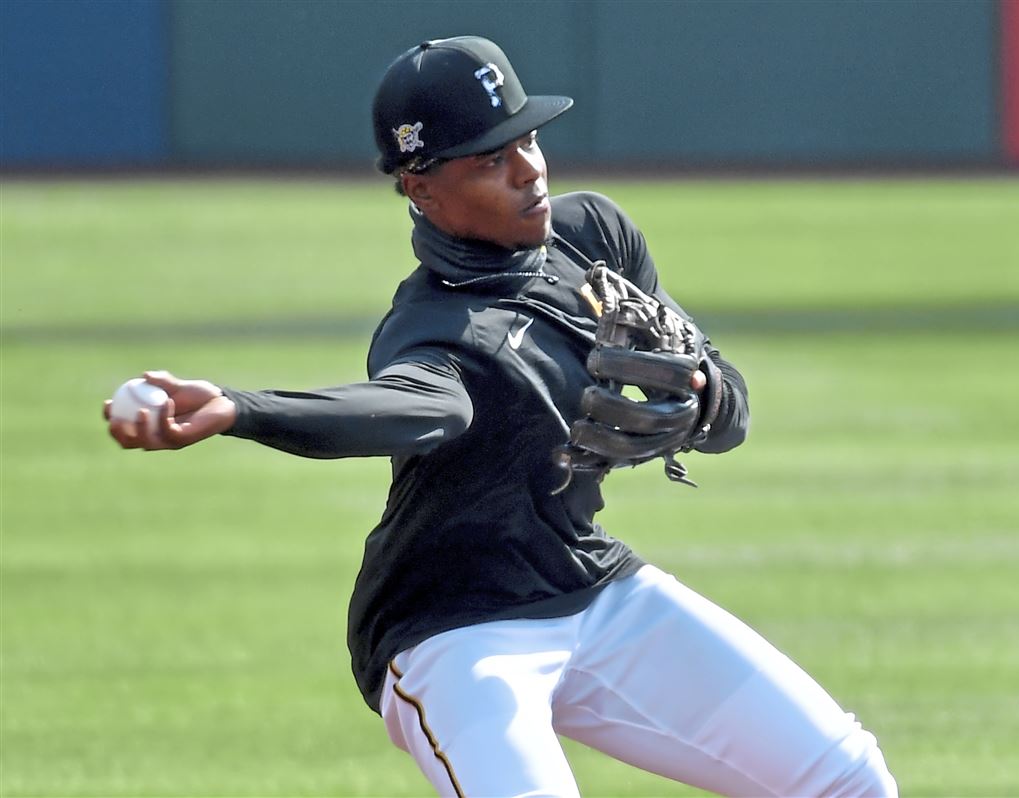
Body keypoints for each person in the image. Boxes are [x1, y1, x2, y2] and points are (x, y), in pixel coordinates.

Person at [105, 36, 897, 798]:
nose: (528, 170)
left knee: (847, 778)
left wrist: (701, 395)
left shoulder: (594, 237)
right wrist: (242, 410)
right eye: (490, 159)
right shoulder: (435, 329)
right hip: (454, 634)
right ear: (421, 188)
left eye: (527, 139)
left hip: (590, 584)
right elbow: (406, 408)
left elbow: (731, 413)